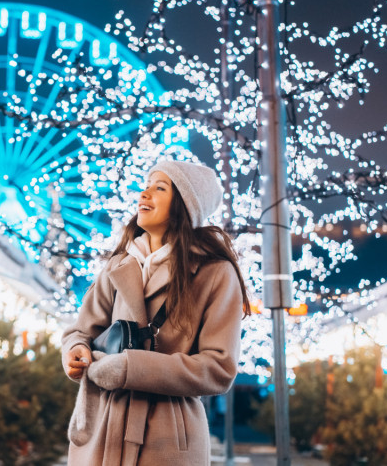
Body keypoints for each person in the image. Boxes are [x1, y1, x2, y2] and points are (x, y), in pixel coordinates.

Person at [61, 159, 251, 466]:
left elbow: (218, 368)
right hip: (104, 428)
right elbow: (80, 331)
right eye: (146, 185)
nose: (144, 194)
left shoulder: (215, 273)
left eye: (159, 188)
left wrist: (130, 368)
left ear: (185, 205)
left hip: (167, 437)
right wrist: (75, 350)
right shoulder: (118, 265)